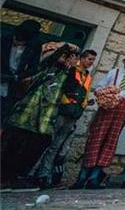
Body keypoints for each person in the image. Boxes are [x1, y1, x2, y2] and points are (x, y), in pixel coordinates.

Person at [0, 42, 78, 187]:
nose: (64, 59)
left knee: (32, 151)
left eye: (67, 57)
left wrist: (72, 67)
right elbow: (50, 60)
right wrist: (65, 47)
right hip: (25, 115)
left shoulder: (67, 75)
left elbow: (72, 89)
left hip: (44, 121)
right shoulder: (47, 67)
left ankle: (17, 177)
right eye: (63, 56)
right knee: (12, 146)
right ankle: (3, 176)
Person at [74, 52, 125, 189]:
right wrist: (107, 93)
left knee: (111, 139)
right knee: (96, 137)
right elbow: (99, 87)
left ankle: (95, 176)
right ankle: (82, 176)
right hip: (107, 107)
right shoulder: (114, 73)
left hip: (122, 109)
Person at [32, 49, 96, 188]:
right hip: (61, 111)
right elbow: (61, 88)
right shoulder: (71, 71)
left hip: (74, 114)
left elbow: (84, 92)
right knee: (47, 142)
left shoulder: (87, 76)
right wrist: (68, 101)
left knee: (56, 146)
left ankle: (44, 175)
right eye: (90, 59)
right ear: (82, 58)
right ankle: (34, 173)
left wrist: (85, 103)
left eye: (93, 60)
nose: (91, 62)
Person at [1, 20, 43, 117]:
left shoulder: (35, 46)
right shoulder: (5, 39)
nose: (17, 43)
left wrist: (17, 77)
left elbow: (33, 68)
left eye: (20, 42)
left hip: (12, 86)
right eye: (15, 40)